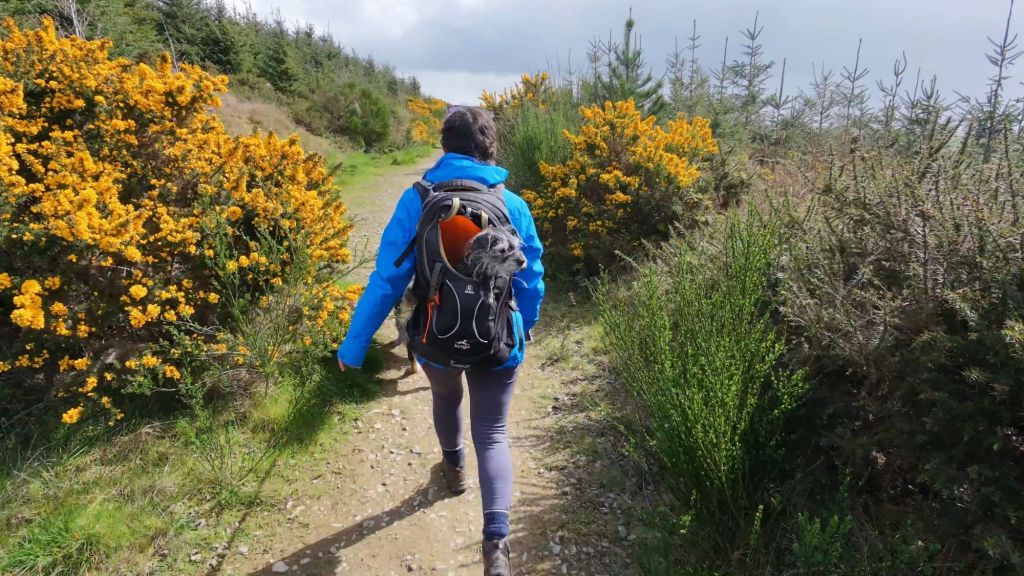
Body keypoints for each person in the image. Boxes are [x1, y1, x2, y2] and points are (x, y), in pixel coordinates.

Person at [336, 106, 545, 576]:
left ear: (445, 145)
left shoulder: (417, 199)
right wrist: (524, 324)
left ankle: (453, 473)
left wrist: (353, 346)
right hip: (497, 340)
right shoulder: (512, 204)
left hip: (436, 336)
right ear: (488, 146)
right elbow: (532, 278)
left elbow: (387, 280)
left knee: (446, 396)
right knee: (492, 432)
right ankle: (496, 546)